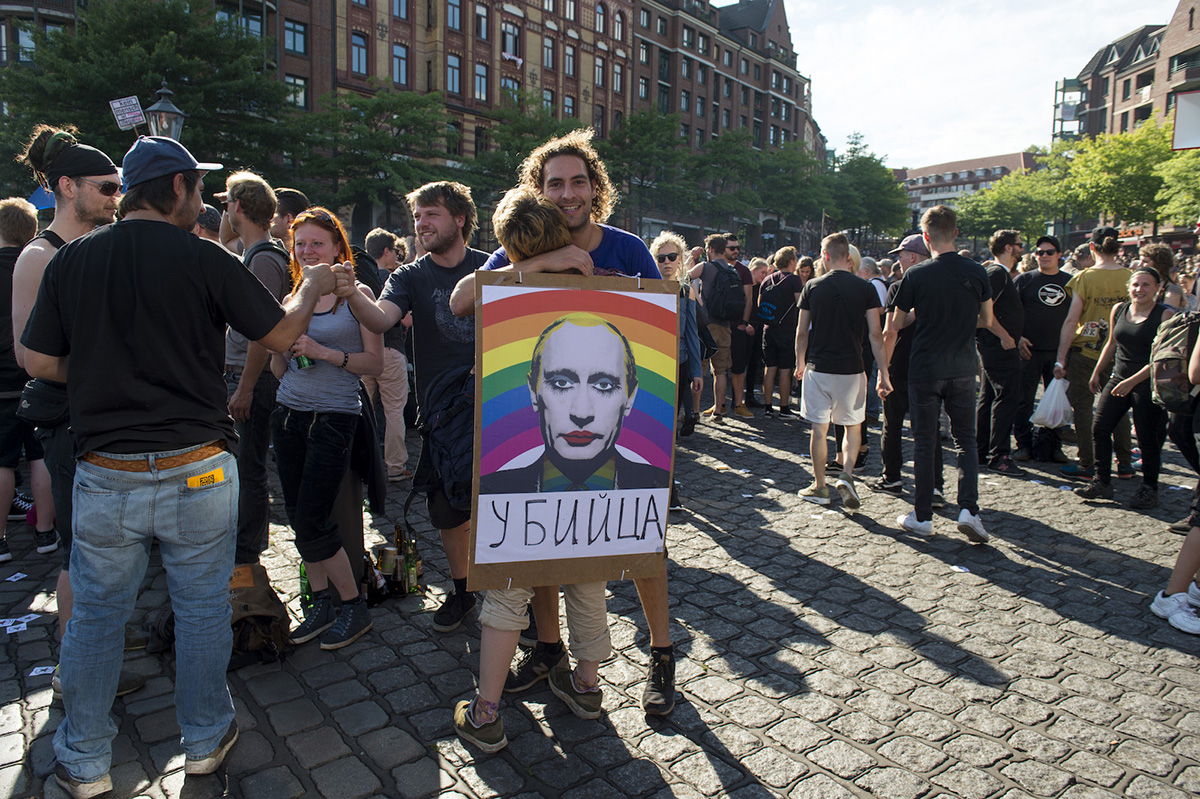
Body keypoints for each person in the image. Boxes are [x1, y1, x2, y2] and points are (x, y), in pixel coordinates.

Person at [23, 135, 341, 798]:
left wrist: (113, 368)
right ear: (176, 189)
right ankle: (204, 738)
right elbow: (280, 334)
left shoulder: (72, 260)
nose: (205, 201)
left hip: (106, 466)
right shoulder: (204, 257)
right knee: (200, 607)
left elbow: (40, 361)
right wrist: (310, 284)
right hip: (198, 464)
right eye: (199, 187)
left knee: (98, 615)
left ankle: (82, 759)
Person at [448, 130, 677, 716]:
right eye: (555, 183)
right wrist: (546, 263)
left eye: (579, 181)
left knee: (640, 542)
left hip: (625, 429)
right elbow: (460, 302)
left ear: (595, 188)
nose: (568, 193)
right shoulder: (519, 255)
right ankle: (552, 652)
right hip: (539, 436)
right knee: (549, 545)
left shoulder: (627, 248)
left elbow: (661, 330)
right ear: (539, 191)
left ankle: (661, 652)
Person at [457, 188, 629, 753]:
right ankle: (585, 686)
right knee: (588, 577)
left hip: (513, 472)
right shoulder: (601, 288)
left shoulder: (505, 288)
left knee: (509, 587)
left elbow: (460, 299)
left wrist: (526, 267)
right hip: (588, 487)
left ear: (505, 245)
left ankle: (485, 712)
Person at [10, 125, 149, 699]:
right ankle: (80, 672)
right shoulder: (39, 256)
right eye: (108, 187)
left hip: (106, 417)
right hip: (69, 421)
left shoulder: (101, 247)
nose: (118, 197)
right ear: (68, 188)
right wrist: (114, 370)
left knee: (108, 546)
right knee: (78, 548)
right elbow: (31, 357)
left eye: (119, 188)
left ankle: (97, 650)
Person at [341, 181, 485, 634]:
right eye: (417, 216)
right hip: (442, 415)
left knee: (500, 505)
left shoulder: (490, 266)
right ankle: (463, 592)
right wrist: (351, 293)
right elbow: (382, 319)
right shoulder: (409, 276)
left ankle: (508, 597)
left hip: (497, 409)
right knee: (447, 514)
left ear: (459, 219)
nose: (421, 224)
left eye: (431, 215)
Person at [272, 207, 382, 650]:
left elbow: (374, 363)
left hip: (335, 418)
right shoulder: (296, 296)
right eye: (300, 244)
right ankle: (320, 603)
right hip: (289, 415)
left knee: (315, 518)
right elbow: (278, 363)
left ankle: (353, 606)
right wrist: (288, 359)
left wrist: (323, 352)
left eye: (317, 242)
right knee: (298, 516)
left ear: (338, 246)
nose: (307, 250)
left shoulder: (356, 294)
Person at [885, 205, 993, 542]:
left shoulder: (916, 275)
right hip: (962, 367)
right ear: (956, 232)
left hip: (925, 368)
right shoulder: (978, 272)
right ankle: (968, 510)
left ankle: (922, 516)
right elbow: (987, 320)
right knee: (966, 442)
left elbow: (897, 324)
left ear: (926, 236)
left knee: (924, 440)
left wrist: (920, 316)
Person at [218, 171, 292, 567]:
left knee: (249, 469)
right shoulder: (254, 251)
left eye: (227, 203)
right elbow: (222, 243)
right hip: (245, 376)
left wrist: (244, 387)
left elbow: (261, 333)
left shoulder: (263, 258)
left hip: (254, 379)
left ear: (239, 207)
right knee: (244, 466)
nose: (223, 210)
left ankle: (247, 551)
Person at [796, 233, 890, 509]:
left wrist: (799, 361)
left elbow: (802, 332)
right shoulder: (865, 288)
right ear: (848, 257)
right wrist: (883, 372)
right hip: (853, 369)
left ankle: (820, 485)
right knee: (851, 426)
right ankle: (847, 474)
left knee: (819, 428)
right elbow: (875, 334)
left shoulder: (812, 286)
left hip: (819, 366)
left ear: (825, 256)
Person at [1074, 268, 1173, 509]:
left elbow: (1161, 359)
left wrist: (1132, 382)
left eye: (1146, 285)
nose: (1139, 289)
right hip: (1118, 377)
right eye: (1136, 285)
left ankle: (1149, 489)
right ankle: (1103, 482)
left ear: (1158, 288)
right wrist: (1098, 372)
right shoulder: (1119, 309)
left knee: (1147, 437)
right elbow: (1111, 343)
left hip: (1148, 384)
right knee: (1100, 428)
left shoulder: (1164, 315)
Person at [1054, 226, 1134, 481]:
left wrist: (1061, 357)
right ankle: (1124, 463)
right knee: (1119, 407)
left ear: (1092, 248)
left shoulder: (1084, 278)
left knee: (1083, 408)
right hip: (1120, 353)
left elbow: (1071, 320)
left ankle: (1087, 462)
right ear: (1118, 248)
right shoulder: (1131, 275)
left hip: (1086, 352)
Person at [0, 198, 56, 562]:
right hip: (38, 377)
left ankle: (0, 539)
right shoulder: (42, 263)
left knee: (3, 461)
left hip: (3, 382)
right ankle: (45, 531)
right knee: (40, 456)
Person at [874, 234, 945, 503]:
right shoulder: (942, 287)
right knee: (928, 430)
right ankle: (935, 486)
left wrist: (883, 371)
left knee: (892, 426)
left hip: (902, 367)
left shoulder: (900, 286)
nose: (898, 260)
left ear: (913, 256)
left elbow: (890, 332)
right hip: (932, 367)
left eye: (901, 255)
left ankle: (891, 478)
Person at [1013, 235, 1071, 463]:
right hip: (1029, 351)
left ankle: (1053, 446)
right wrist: (1018, 338)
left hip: (1058, 352)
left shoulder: (1070, 282)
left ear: (1059, 255)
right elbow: (1011, 313)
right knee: (1024, 400)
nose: (1043, 256)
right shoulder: (1024, 280)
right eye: (1039, 252)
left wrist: (1066, 352)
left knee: (1057, 401)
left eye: (1049, 252)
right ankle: (1023, 445)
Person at [362, 227, 412, 481]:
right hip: (390, 350)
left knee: (361, 410)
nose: (397, 256)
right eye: (395, 251)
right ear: (386, 251)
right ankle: (395, 467)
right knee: (394, 411)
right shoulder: (394, 280)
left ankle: (359, 465)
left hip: (364, 352)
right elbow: (406, 322)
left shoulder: (363, 277)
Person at [976, 230, 1024, 476]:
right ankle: (1000, 455)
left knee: (988, 397)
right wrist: (1004, 335)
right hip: (998, 345)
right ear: (1008, 248)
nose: (1021, 249)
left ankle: (982, 450)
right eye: (1019, 244)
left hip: (995, 343)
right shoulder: (997, 273)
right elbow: (985, 312)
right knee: (1006, 397)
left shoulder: (997, 273)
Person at [650, 231, 704, 441]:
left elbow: (691, 334)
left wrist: (697, 372)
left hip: (678, 362)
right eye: (661, 258)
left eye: (672, 257)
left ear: (680, 259)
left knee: (671, 416)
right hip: (652, 361)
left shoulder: (686, 291)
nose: (667, 262)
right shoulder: (646, 289)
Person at [758, 246, 803, 418]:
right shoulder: (794, 280)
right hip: (787, 329)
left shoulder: (767, 280)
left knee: (769, 368)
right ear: (792, 261)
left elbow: (759, 305)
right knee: (785, 369)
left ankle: (768, 406)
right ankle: (784, 407)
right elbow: (800, 304)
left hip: (768, 329)